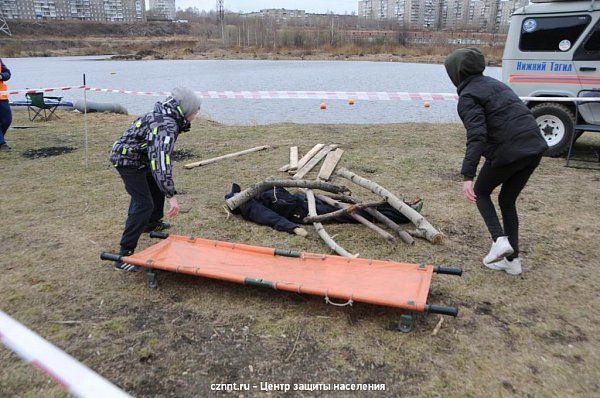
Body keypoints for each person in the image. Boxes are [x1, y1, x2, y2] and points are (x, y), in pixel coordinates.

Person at [444, 48, 548, 276]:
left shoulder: (468, 96)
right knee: (507, 200)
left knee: (480, 192)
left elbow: (477, 135)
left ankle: (499, 241)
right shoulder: (496, 84)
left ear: (456, 73)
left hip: (510, 151)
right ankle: (513, 261)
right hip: (534, 147)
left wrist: (467, 175)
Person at [109, 87, 201, 271]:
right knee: (143, 203)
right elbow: (160, 163)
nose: (197, 115)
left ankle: (151, 224)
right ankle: (124, 254)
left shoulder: (167, 117)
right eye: (196, 111)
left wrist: (164, 188)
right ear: (187, 109)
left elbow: (157, 159)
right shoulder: (166, 125)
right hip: (127, 160)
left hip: (142, 158)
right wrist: (171, 196)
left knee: (155, 187)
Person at [0, 58, 13, 152]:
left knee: (7, 120)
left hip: (2, 96)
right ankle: (2, 143)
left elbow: (7, 73)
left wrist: (1, 76)